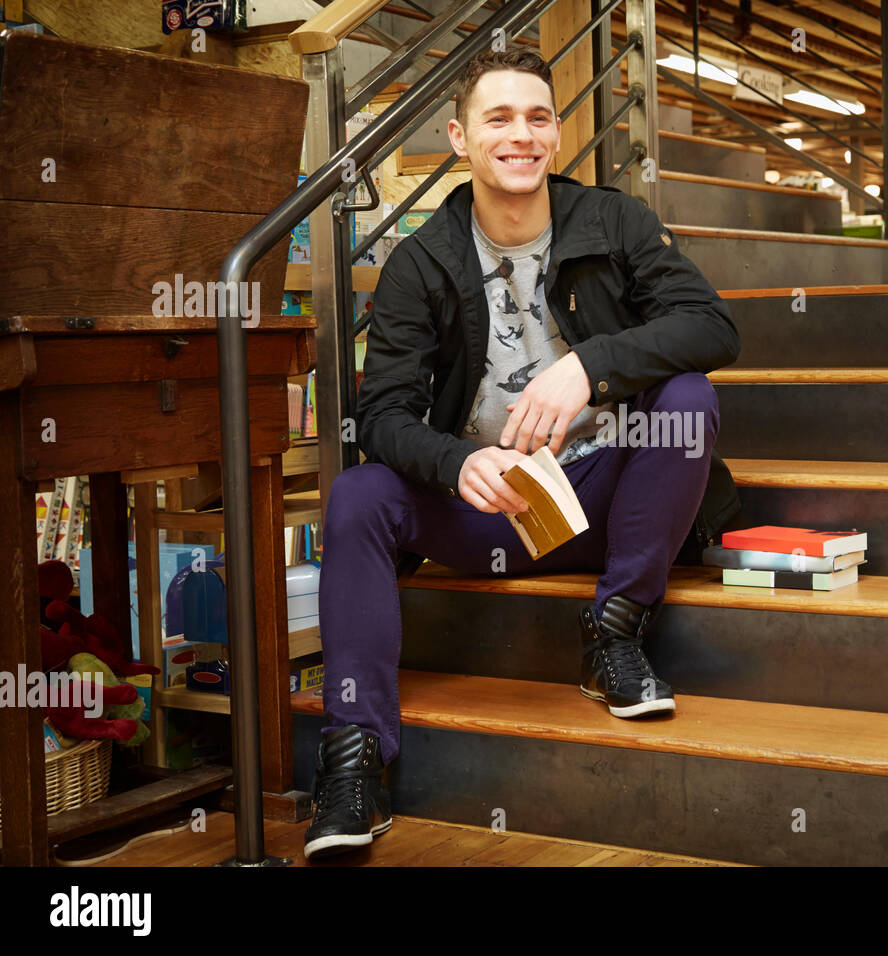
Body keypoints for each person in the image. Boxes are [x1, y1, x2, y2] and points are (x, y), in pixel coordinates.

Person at [302, 44, 742, 859]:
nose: (521, 135)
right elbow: (383, 415)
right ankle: (354, 761)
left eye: (538, 117)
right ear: (460, 137)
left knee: (687, 398)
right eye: (498, 118)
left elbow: (713, 328)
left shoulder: (615, 222)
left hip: (605, 502)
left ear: (558, 132)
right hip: (487, 510)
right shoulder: (421, 262)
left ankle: (614, 632)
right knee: (359, 494)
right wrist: (455, 463)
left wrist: (589, 368)